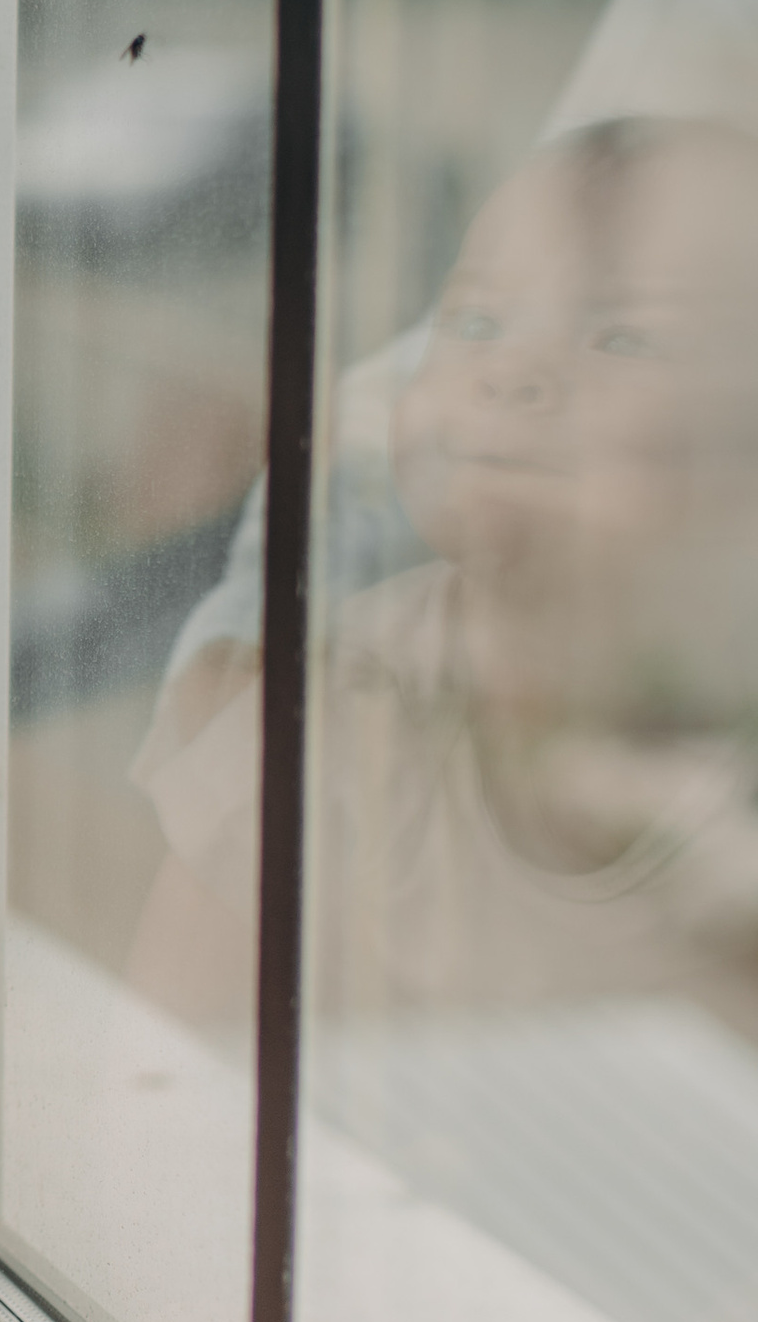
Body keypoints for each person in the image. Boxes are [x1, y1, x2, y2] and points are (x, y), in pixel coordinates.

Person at [131, 116, 758, 1041]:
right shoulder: (343, 705)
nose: (509, 371)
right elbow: (158, 1056)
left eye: (625, 339)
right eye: (474, 321)